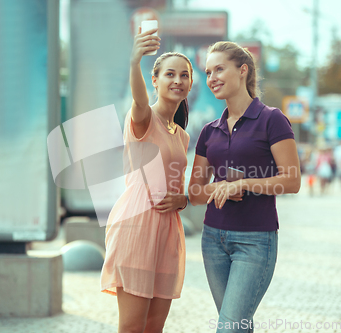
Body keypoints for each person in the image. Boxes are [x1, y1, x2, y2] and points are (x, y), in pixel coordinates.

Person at [188, 41, 301, 332]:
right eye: (208, 71)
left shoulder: (272, 120)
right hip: (213, 240)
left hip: (255, 241)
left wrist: (246, 183)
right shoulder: (208, 131)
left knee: (229, 327)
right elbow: (196, 193)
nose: (211, 77)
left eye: (219, 69)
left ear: (242, 71)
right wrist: (220, 188)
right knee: (238, 325)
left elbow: (292, 181)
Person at [100, 27, 193, 333]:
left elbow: (177, 185)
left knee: (154, 327)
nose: (177, 80)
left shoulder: (182, 135)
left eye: (184, 75)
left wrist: (184, 199)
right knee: (132, 327)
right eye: (169, 74)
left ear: (191, 83)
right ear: (155, 80)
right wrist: (134, 62)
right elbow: (139, 102)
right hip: (137, 226)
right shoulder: (142, 119)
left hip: (168, 231)